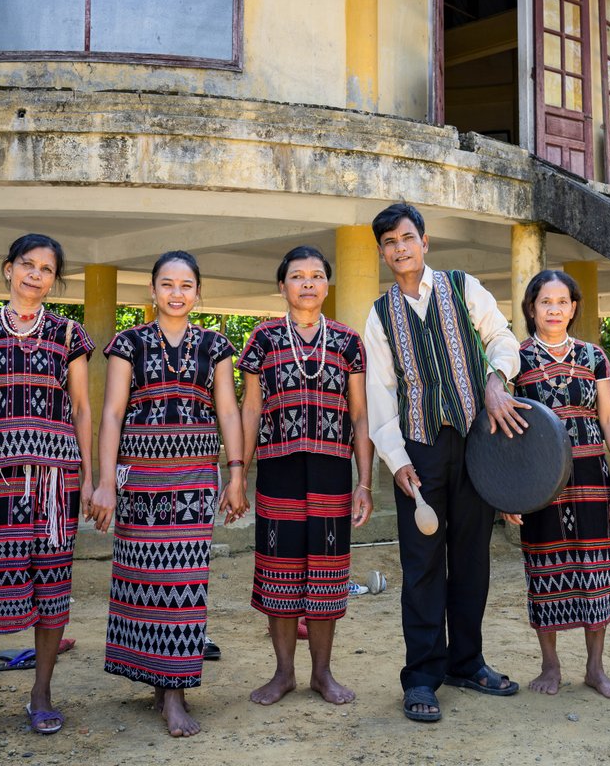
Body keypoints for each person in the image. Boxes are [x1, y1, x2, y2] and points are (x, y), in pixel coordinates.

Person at [363, 202, 526, 723]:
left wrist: (497, 380)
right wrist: (396, 460)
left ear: (425, 242)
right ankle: (423, 676)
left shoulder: (462, 286)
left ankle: (467, 662)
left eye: (407, 238)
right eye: (389, 243)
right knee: (423, 566)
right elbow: (380, 393)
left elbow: (501, 338)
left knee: (473, 559)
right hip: (421, 451)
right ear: (384, 253)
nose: (400, 249)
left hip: (477, 440)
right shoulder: (379, 313)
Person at [91, 250, 247, 737]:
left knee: (183, 586)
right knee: (142, 580)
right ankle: (160, 684)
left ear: (199, 292)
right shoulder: (128, 343)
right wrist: (103, 481)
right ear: (152, 290)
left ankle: (174, 691)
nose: (176, 294)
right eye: (166, 284)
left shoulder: (217, 345)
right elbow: (113, 413)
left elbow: (227, 410)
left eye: (185, 285)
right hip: (139, 479)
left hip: (195, 477)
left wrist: (236, 473)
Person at [0, 234, 94, 739]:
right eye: (26, 265)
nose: (35, 274)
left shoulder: (70, 334)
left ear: (55, 279)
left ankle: (41, 695)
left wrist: (91, 479)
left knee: (52, 588)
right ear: (8, 269)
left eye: (46, 268)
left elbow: (82, 409)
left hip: (57, 483)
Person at [238, 245, 374, 706]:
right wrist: (238, 473)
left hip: (333, 470)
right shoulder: (262, 339)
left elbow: (359, 416)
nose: (308, 283)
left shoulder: (347, 341)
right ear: (283, 286)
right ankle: (283, 674)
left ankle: (322, 674)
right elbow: (251, 408)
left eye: (317, 275)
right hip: (277, 470)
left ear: (327, 285)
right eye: (298, 276)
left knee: (327, 574)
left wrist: (364, 481)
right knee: (278, 572)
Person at [501, 270, 610, 697]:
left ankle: (596, 669)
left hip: (591, 473)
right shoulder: (515, 358)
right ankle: (550, 667)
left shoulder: (594, 356)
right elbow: (504, 427)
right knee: (544, 565)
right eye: (545, 302)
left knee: (596, 568)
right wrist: (508, 491)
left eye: (562, 301)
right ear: (531, 308)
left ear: (574, 307)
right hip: (540, 480)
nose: (554, 309)